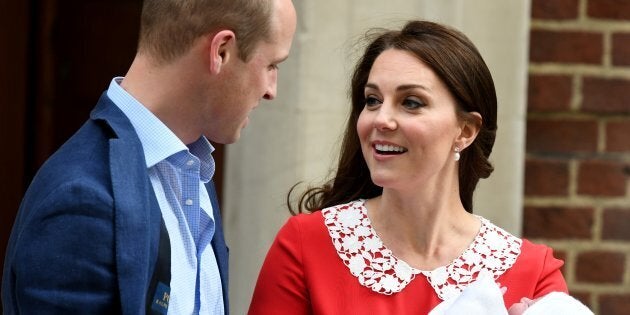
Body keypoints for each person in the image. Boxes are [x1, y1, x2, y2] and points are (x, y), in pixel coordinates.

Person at [248, 20, 567, 314]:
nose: (381, 119)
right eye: (372, 100)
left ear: (466, 130)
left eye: (411, 102)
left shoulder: (532, 273)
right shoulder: (306, 246)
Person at [2, 0, 296, 313]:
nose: (271, 90)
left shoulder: (192, 169)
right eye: (272, 65)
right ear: (221, 51)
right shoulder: (80, 198)